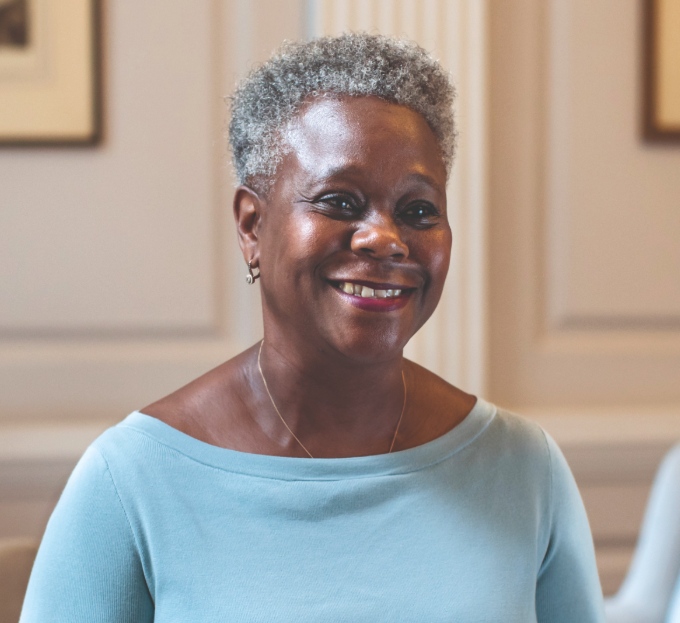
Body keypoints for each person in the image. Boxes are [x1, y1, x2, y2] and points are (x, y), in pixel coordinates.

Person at [20, 33, 604, 622]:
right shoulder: (131, 481)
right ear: (252, 225)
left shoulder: (524, 469)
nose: (386, 237)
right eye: (340, 202)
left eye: (418, 210)